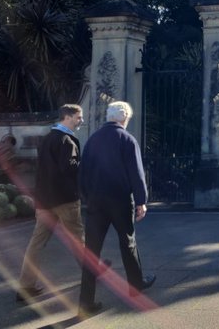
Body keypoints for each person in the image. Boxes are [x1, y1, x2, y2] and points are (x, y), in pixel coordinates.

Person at [78, 101, 155, 317]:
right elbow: (136, 173)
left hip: (95, 201)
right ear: (125, 119)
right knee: (127, 242)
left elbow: (82, 172)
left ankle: (85, 301)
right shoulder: (127, 139)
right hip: (120, 200)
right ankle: (135, 285)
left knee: (91, 251)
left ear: (109, 117)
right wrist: (141, 201)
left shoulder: (92, 140)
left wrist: (86, 196)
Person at [17, 105, 87, 302]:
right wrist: (86, 163)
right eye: (78, 117)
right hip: (65, 199)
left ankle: (26, 285)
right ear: (67, 117)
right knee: (77, 238)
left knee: (36, 243)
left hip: (45, 200)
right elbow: (69, 168)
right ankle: (90, 274)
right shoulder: (66, 140)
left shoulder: (47, 138)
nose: (81, 120)